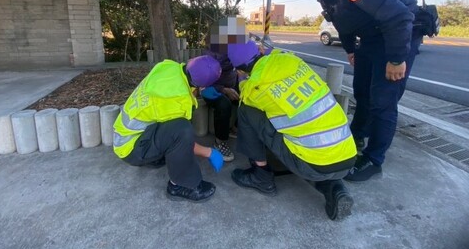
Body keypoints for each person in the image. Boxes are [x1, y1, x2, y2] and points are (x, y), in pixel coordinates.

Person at [294, 0, 423, 182]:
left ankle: (374, 159)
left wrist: (395, 59)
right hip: (370, 39)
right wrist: (351, 50)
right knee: (362, 91)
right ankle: (359, 134)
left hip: (396, 35)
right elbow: (343, 24)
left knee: (383, 99)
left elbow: (400, 17)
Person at [227, 40, 357, 220]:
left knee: (246, 111)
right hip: (348, 156)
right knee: (312, 141)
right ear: (261, 50)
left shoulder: (254, 87)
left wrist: (242, 81)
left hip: (312, 164)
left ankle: (261, 176)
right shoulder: (292, 61)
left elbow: (245, 93)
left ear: (239, 69)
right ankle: (335, 187)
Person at [112, 55, 224, 203]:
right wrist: (209, 152)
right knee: (182, 130)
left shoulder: (168, 67)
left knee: (176, 128)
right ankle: (180, 185)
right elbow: (182, 138)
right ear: (202, 85)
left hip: (124, 137)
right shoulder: (177, 101)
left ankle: (156, 156)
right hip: (132, 150)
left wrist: (199, 90)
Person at [200, 48, 239, 162]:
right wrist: (224, 90)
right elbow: (203, 81)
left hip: (232, 85)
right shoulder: (209, 53)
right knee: (224, 104)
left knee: (249, 96)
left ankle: (235, 129)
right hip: (211, 88)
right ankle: (220, 142)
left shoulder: (236, 47)